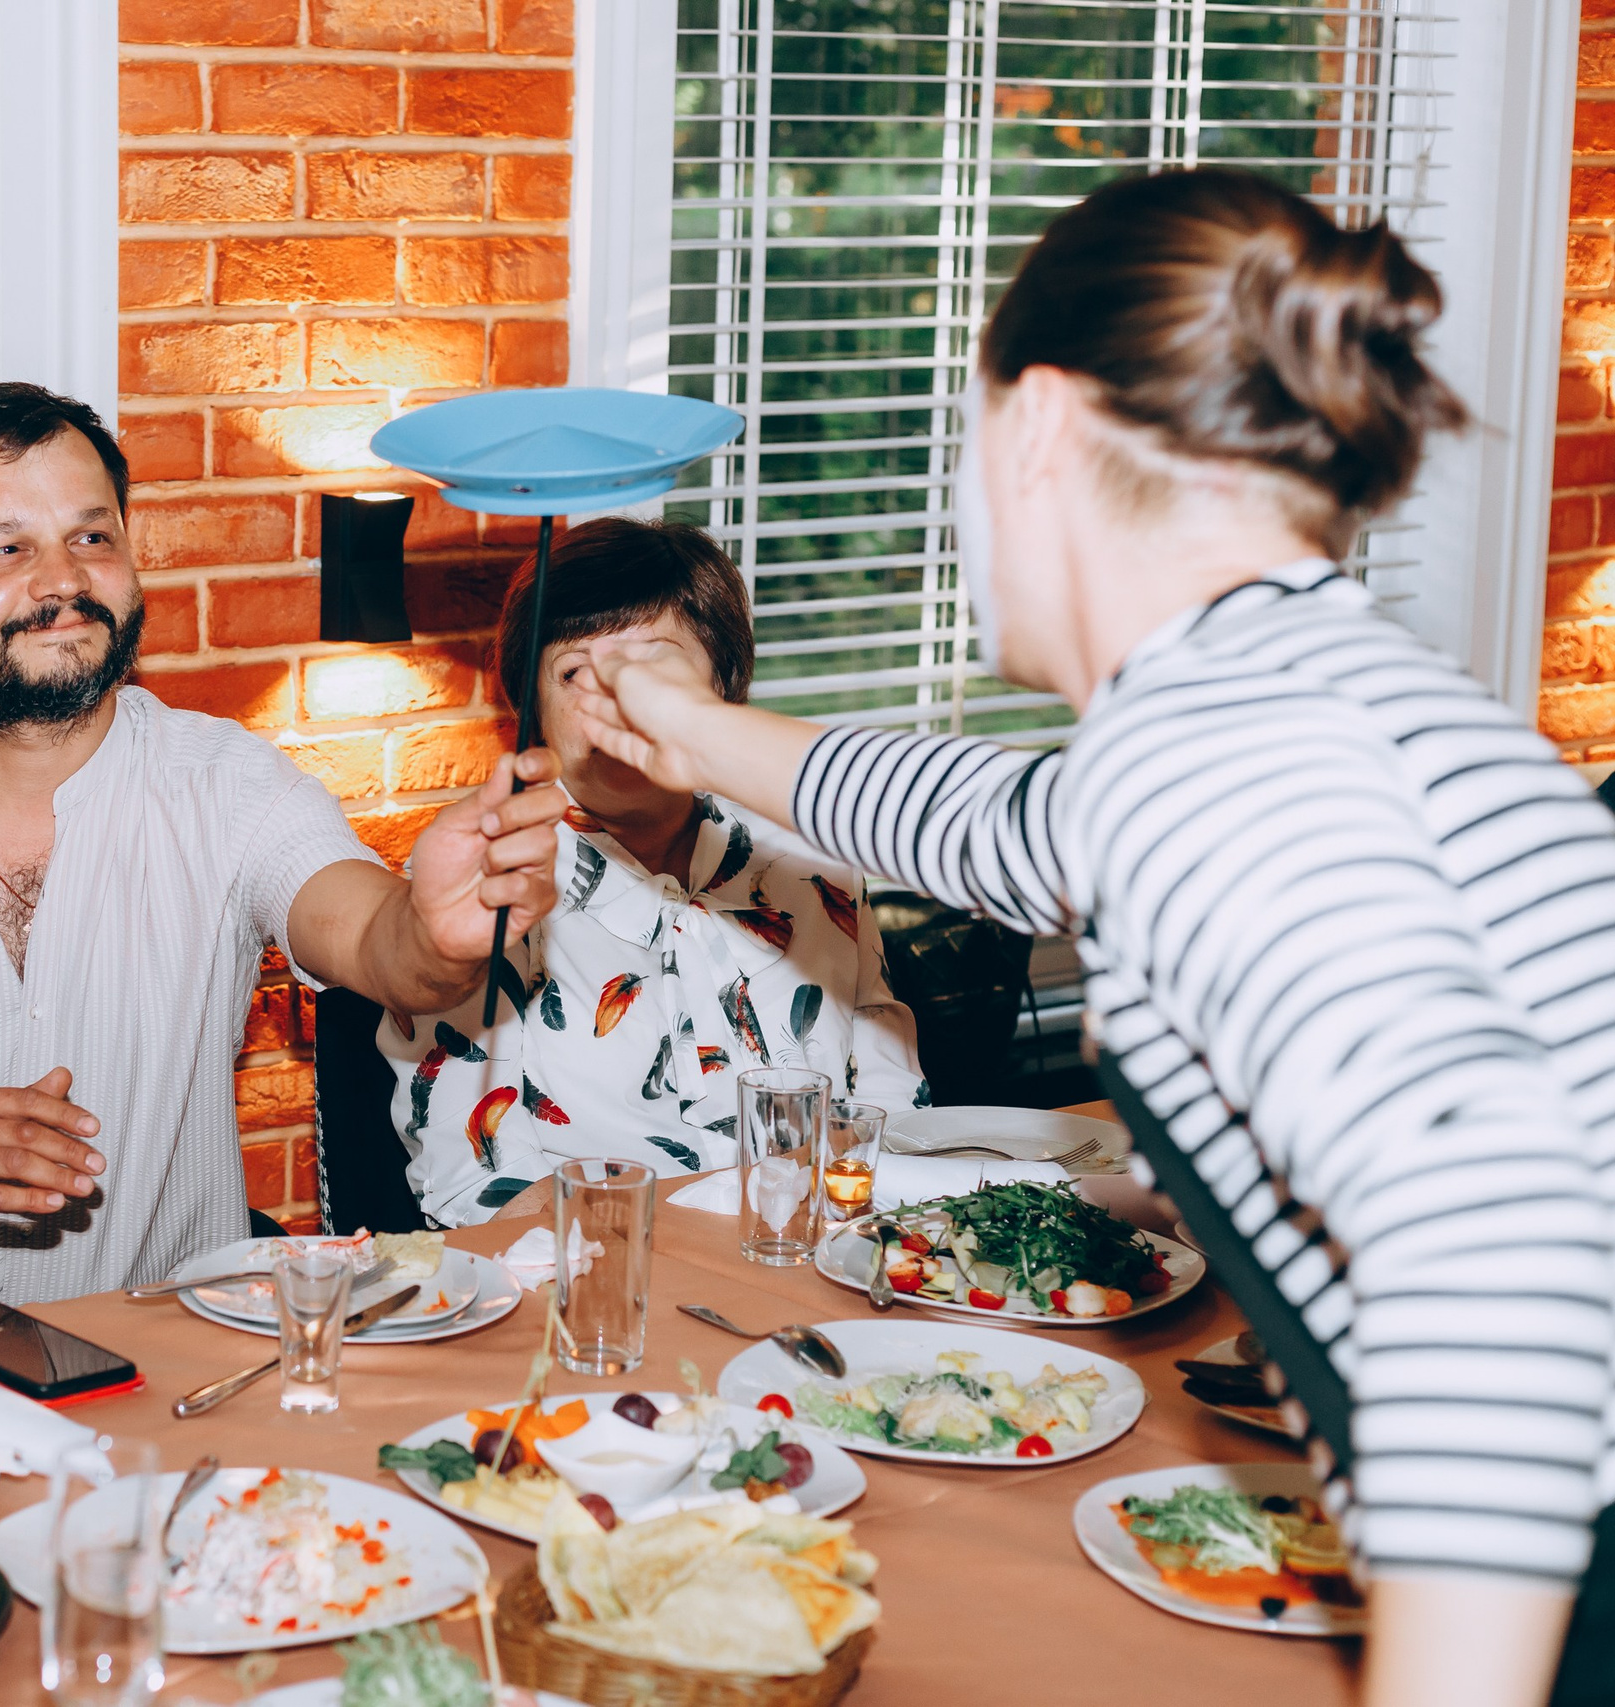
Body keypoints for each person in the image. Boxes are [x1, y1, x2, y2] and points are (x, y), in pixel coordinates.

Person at [570, 167, 1615, 1707]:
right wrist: (688, 723)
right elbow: (1010, 826)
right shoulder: (1288, 692)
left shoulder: (1219, 751)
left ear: (1038, 426)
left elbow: (1491, 1252)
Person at [0, 382, 565, 1319]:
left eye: (93, 537)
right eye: (7, 548)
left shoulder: (228, 783)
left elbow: (379, 942)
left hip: (155, 1360)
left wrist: (436, 930)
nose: (64, 580)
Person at [379, 518, 923, 1224]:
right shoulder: (488, 872)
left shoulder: (810, 850)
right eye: (575, 671)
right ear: (531, 704)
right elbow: (474, 1181)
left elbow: (895, 1115)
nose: (612, 700)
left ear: (722, 681)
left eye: (650, 667)